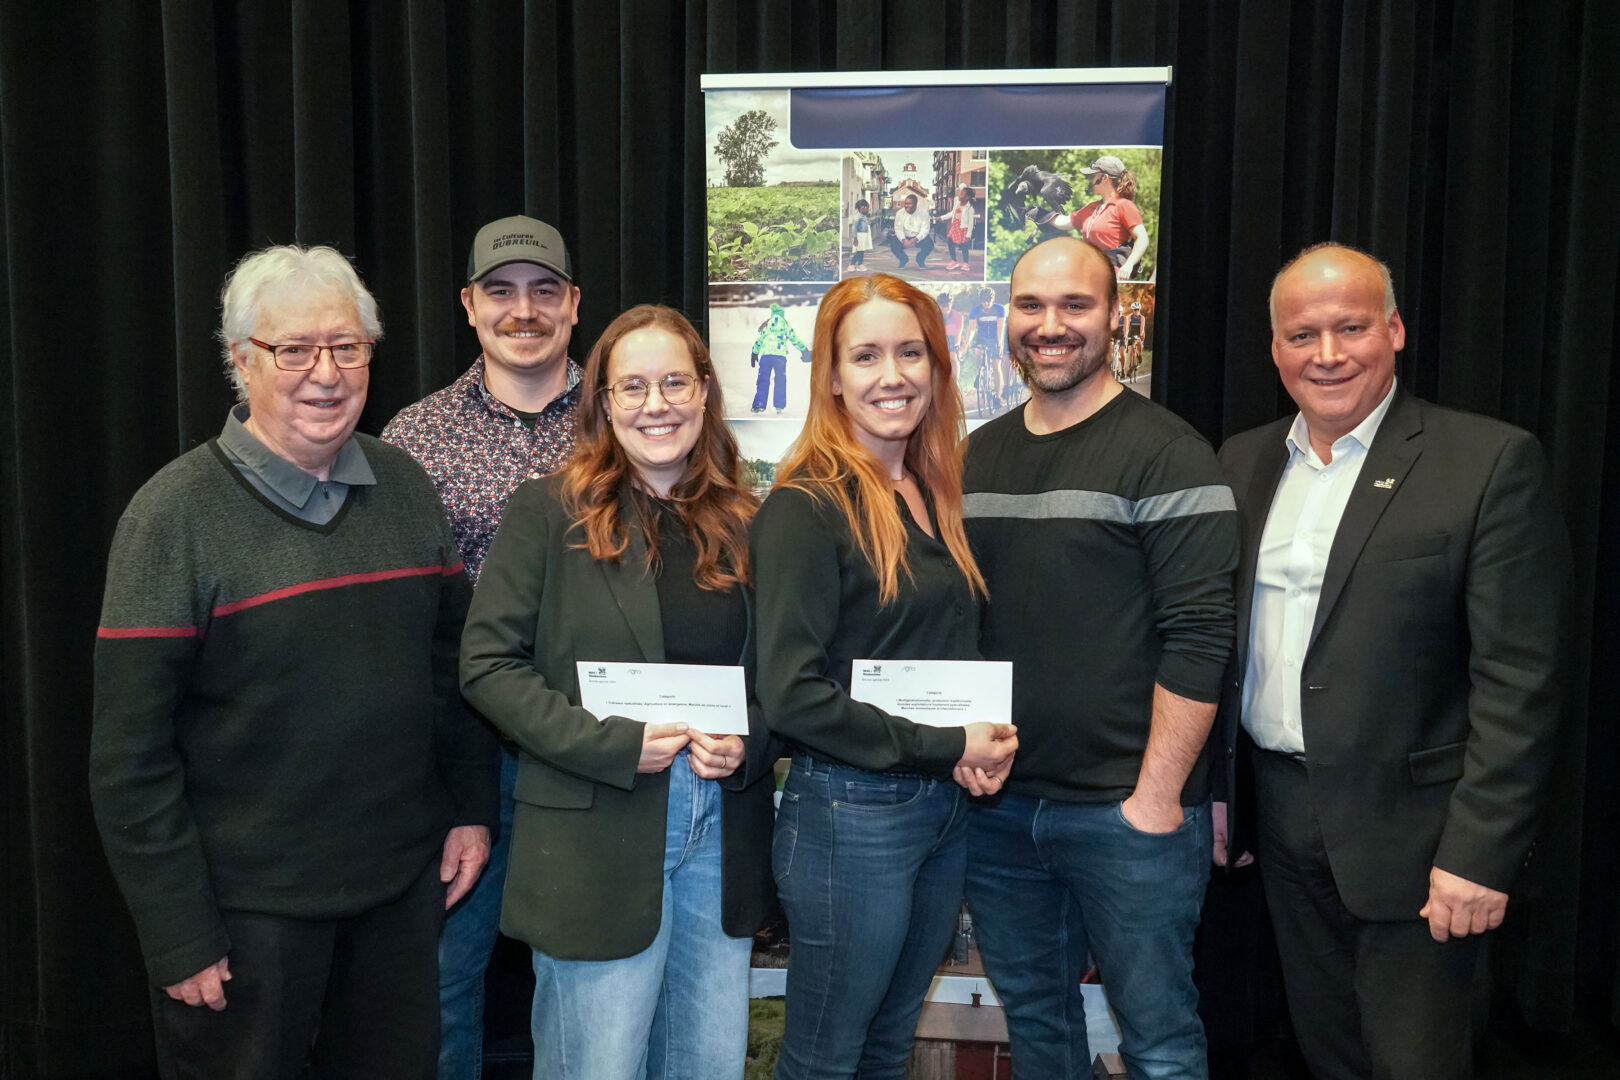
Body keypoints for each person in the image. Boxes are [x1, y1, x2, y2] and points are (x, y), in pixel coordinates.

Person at [90, 245, 498, 1080]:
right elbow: (129, 758)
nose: (326, 372)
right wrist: (177, 932)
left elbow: (448, 671)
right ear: (242, 361)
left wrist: (467, 807)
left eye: (347, 347)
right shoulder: (170, 517)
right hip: (246, 921)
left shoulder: (404, 484)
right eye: (295, 349)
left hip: (396, 897)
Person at [1217, 242, 1570, 1079]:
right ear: (1274, 350)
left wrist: (1479, 856)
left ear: (1397, 331)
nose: (1328, 354)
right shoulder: (1242, 461)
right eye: (1303, 335)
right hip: (1282, 819)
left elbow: (1520, 683)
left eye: (1351, 328)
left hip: (1422, 846)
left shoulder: (1487, 463)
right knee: (1326, 1054)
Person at [460, 305, 777, 1080]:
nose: (655, 403)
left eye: (674, 381)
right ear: (602, 402)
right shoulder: (547, 510)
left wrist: (750, 742)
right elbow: (487, 664)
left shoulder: (748, 520)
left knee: (706, 1065)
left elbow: (782, 679)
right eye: (631, 386)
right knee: (596, 1067)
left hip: (718, 828)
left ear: (705, 392)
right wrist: (615, 744)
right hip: (594, 828)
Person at [961, 236, 1238, 1080]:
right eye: (1032, 307)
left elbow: (1202, 636)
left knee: (1157, 1043)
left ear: (1115, 317)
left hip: (1128, 818)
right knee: (1040, 1029)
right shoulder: (976, 453)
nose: (1051, 326)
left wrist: (1155, 801)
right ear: (1007, 319)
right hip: (1001, 813)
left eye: (1075, 306)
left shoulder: (1169, 452)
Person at [751, 273, 1019, 1079]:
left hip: (940, 810)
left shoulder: (936, 491)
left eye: (910, 352)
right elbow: (790, 694)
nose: (891, 375)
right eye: (865, 356)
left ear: (938, 367)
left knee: (884, 1047)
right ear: (831, 375)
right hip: (848, 817)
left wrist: (974, 746)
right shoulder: (804, 506)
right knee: (826, 1057)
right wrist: (947, 743)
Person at [381, 214, 583, 1080]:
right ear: (468, 305)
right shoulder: (412, 440)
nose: (523, 310)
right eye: (501, 292)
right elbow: (400, 621)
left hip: (595, 754)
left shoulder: (628, 425)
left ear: (574, 305)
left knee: (589, 988)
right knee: (441, 987)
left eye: (544, 291)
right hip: (463, 760)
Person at [1052, 155, 1150, 280]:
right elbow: (1064, 222)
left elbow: (1142, 238)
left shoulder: (1124, 206)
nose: (1091, 181)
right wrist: (1037, 213)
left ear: (1104, 178)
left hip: (1112, 278)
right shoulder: (1092, 208)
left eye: (1093, 176)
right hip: (1090, 275)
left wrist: (1129, 264)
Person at [750, 302, 811, 414]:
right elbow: (795, 339)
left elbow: (759, 340)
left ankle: (759, 405)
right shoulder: (785, 325)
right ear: (782, 314)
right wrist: (804, 351)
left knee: (763, 380)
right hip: (780, 358)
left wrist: (754, 352)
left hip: (766, 357)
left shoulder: (767, 326)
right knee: (780, 380)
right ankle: (779, 405)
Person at [966, 287, 1007, 404]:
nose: (986, 303)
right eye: (983, 300)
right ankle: (981, 374)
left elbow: (1000, 327)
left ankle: (998, 397)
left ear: (993, 299)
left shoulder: (999, 309)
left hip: (995, 338)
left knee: (996, 365)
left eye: (988, 300)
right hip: (982, 338)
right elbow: (972, 328)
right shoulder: (976, 310)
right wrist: (968, 342)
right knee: (978, 352)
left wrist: (999, 343)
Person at [887, 193, 935, 269]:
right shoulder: (899, 213)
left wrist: (916, 239)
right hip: (905, 236)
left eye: (910, 204)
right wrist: (903, 240)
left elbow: (925, 229)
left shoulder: (924, 213)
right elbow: (898, 229)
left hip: (918, 237)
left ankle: (920, 260)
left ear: (916, 204)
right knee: (893, 244)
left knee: (929, 245)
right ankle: (903, 260)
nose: (907, 206)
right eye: (906, 203)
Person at [935, 185, 977, 271]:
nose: (959, 195)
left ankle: (966, 263)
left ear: (967, 197)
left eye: (961, 194)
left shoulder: (970, 208)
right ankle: (954, 261)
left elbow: (970, 222)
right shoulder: (957, 204)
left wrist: (968, 234)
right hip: (955, 226)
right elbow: (952, 214)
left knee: (964, 246)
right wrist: (941, 217)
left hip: (963, 228)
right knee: (950, 240)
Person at [936, 291, 965, 373]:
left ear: (951, 304)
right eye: (943, 305)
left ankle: (955, 382)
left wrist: (956, 345)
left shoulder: (958, 316)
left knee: (953, 356)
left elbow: (958, 333)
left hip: (952, 338)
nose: (945, 308)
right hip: (939, 337)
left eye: (947, 305)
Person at [850, 199, 873, 268]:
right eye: (867, 208)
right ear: (862, 208)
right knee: (859, 251)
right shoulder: (858, 217)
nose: (868, 209)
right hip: (859, 235)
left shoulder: (863, 216)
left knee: (862, 250)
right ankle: (852, 264)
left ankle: (860, 264)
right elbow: (854, 228)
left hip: (864, 235)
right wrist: (855, 238)